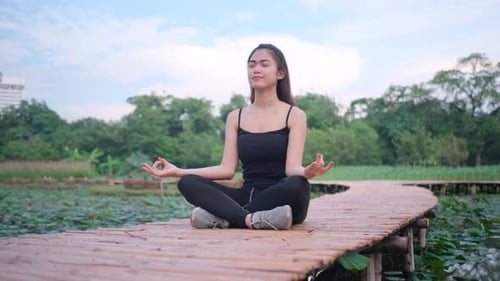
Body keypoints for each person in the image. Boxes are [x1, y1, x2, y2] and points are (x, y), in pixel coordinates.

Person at [142, 43, 334, 230]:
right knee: (188, 182)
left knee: (297, 184)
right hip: (246, 195)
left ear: (280, 73)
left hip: (282, 198)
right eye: (251, 65)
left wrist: (308, 172)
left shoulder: (294, 115)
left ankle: (224, 219)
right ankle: (253, 219)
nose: (256, 69)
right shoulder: (236, 117)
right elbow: (227, 169)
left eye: (264, 64)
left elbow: (292, 169)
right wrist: (178, 172)